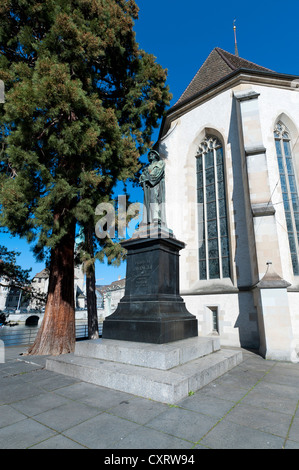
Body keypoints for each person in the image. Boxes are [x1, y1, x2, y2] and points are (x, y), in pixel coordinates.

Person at [139, 149, 166, 225]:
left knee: (154, 199)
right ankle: (147, 219)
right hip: (148, 186)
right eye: (149, 154)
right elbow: (142, 176)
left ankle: (156, 217)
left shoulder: (160, 163)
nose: (150, 155)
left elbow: (157, 173)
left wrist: (148, 178)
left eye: (152, 154)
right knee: (147, 202)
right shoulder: (147, 167)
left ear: (156, 156)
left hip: (155, 185)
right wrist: (142, 177)